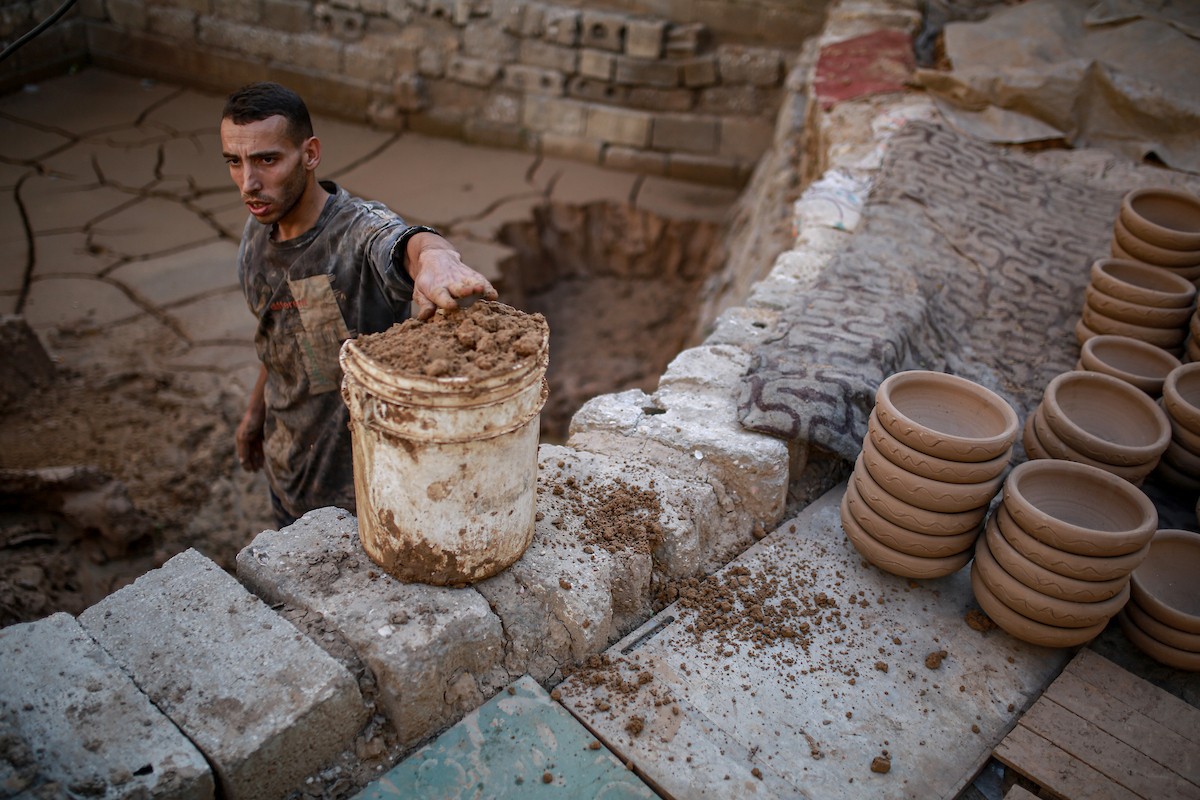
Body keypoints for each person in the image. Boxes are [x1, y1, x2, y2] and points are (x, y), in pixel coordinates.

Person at [221, 82, 497, 528]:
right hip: (287, 471)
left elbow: (403, 241)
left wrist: (437, 259)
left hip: (360, 497)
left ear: (310, 154)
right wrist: (256, 414)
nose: (248, 183)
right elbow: (278, 337)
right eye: (235, 162)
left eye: (267, 160)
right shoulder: (258, 231)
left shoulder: (354, 236)